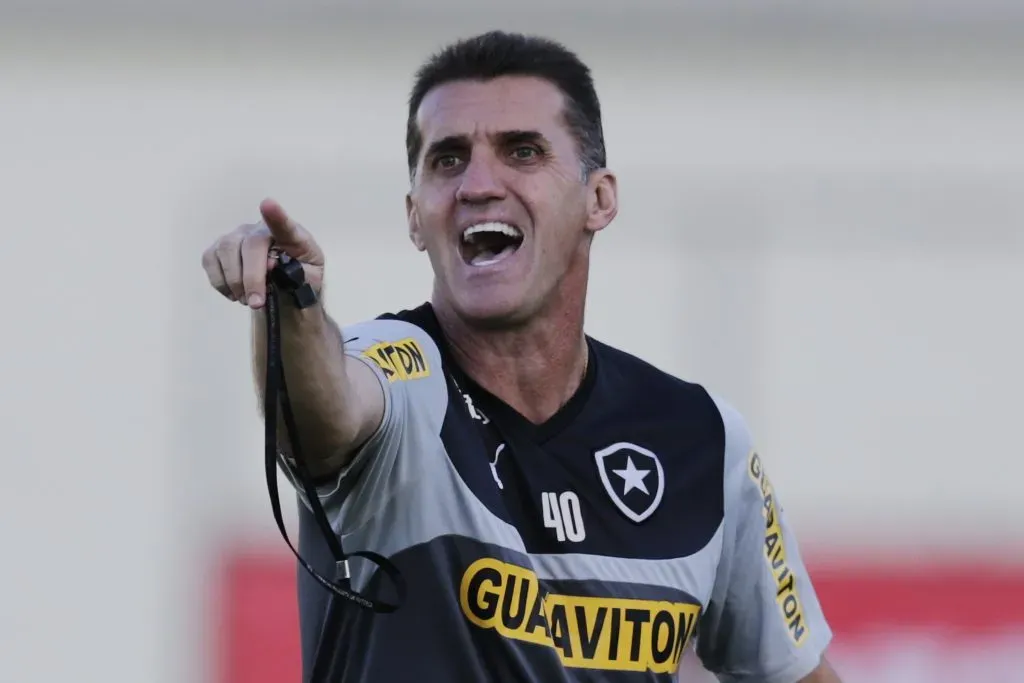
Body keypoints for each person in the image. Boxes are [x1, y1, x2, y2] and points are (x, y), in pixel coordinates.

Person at [202, 30, 843, 683]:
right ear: (415, 217)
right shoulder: (403, 373)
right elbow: (325, 411)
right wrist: (294, 303)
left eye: (523, 151)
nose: (479, 184)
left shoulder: (701, 438)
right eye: (448, 159)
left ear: (599, 199)